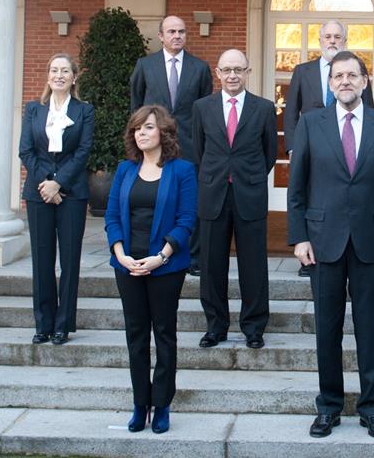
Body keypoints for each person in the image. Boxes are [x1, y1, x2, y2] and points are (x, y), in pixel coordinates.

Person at [287, 50, 374, 440]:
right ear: (330, 82)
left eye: (352, 76)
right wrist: (299, 236)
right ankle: (329, 406)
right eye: (338, 76)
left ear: (365, 81)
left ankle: (371, 407)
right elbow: (297, 187)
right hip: (323, 241)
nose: (345, 82)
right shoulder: (310, 123)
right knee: (328, 328)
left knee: (368, 327)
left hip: (371, 241)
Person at [104, 105, 197, 435]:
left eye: (147, 128)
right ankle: (140, 403)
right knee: (136, 336)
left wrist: (162, 256)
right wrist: (120, 254)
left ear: (164, 133)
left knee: (164, 335)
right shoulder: (124, 170)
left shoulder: (182, 171)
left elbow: (187, 220)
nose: (140, 133)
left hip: (165, 267)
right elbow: (112, 217)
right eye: (136, 129)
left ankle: (162, 404)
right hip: (127, 265)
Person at [190, 50, 277, 349]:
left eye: (238, 70)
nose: (232, 76)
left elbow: (269, 154)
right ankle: (216, 327)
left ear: (247, 72)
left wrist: (246, 175)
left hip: (249, 193)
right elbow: (199, 152)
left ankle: (253, 327)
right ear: (217, 72)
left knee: (253, 266)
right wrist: (218, 175)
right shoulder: (202, 108)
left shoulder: (264, 109)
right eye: (227, 70)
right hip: (213, 193)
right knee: (211, 265)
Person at [283, 20, 374, 277]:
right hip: (310, 147)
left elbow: (369, 108)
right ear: (320, 40)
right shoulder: (303, 70)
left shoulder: (357, 72)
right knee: (310, 199)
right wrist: (292, 148)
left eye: (337, 37)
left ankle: (346, 252)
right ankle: (308, 260)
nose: (332, 41)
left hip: (346, 145)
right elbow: (290, 112)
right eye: (327, 37)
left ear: (344, 41)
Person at [19, 53, 94, 346]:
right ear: (48, 76)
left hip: (72, 194)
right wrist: (45, 184)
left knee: (70, 260)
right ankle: (43, 324)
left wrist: (59, 182)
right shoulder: (34, 110)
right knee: (42, 260)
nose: (59, 75)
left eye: (65, 71)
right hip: (38, 194)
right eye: (54, 70)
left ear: (74, 77)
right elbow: (26, 151)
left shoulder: (84, 110)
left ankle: (63, 325)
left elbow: (83, 151)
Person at [130, 15, 213, 275]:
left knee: (191, 203)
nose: (177, 35)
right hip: (154, 148)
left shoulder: (200, 68)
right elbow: (137, 108)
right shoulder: (145, 66)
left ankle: (194, 258)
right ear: (161, 36)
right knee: (158, 200)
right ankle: (157, 251)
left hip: (190, 146)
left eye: (181, 31)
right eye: (171, 31)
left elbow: (205, 111)